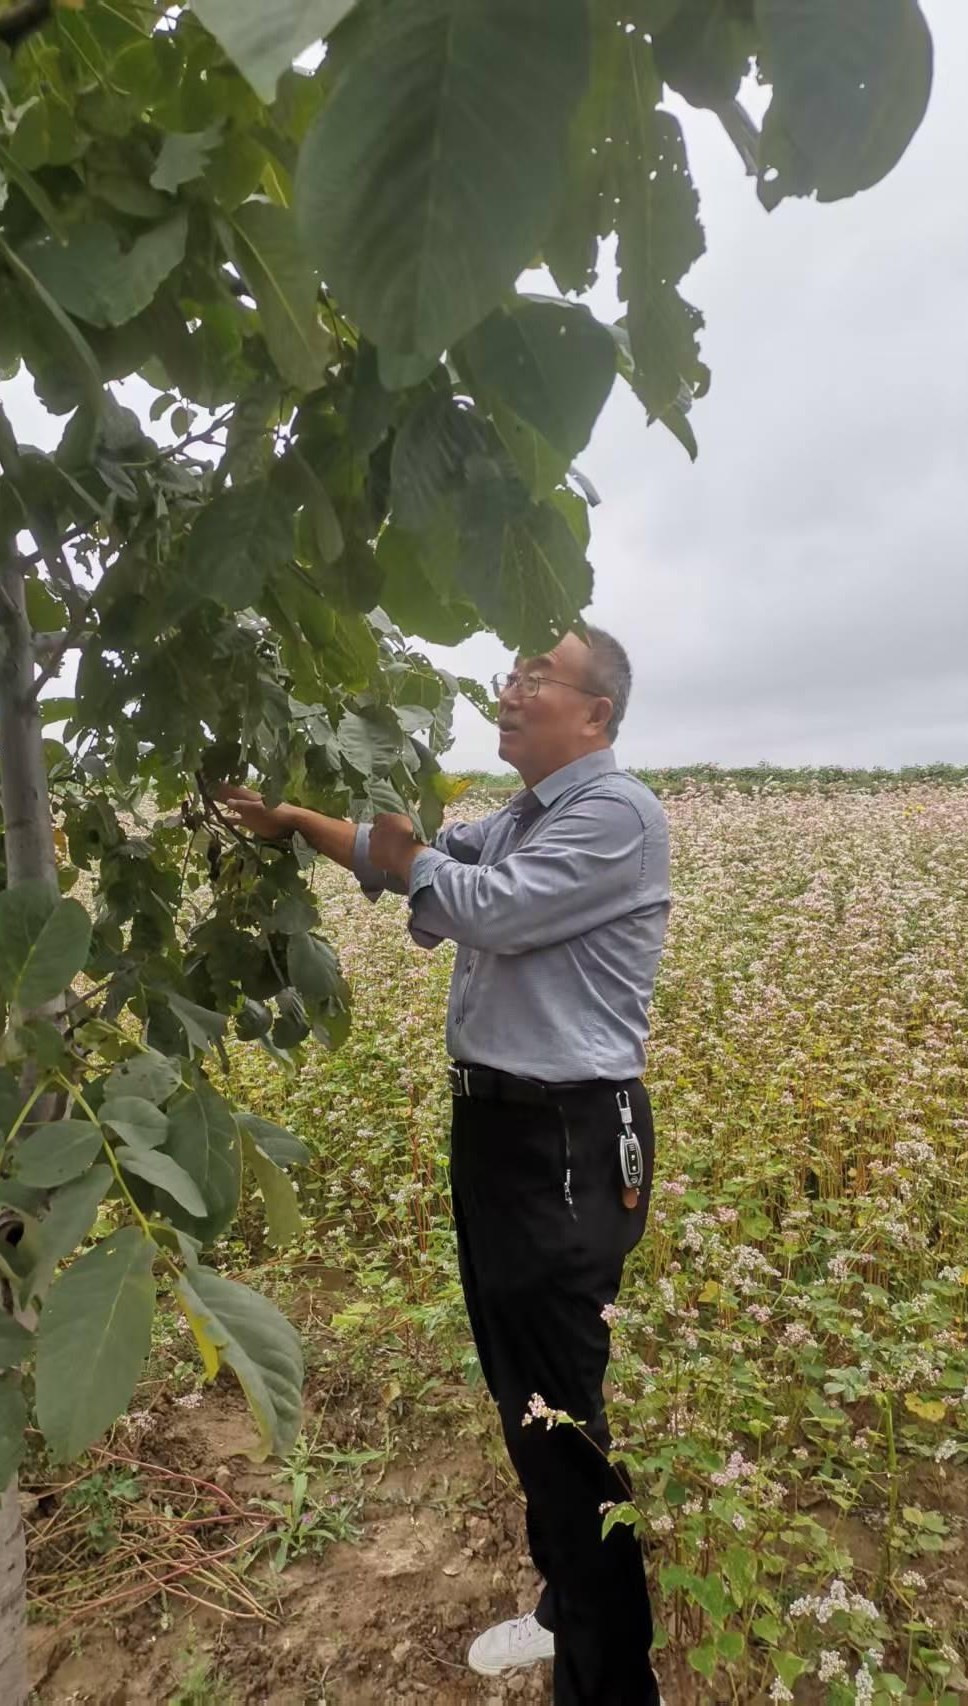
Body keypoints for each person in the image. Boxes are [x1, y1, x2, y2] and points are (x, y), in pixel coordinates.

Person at [217, 627, 671, 1705]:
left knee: (560, 1415)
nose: (507, 691)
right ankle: (567, 1604)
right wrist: (298, 819)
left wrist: (402, 832)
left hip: (562, 1139)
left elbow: (479, 906)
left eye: (531, 678)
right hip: (505, 1135)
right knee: (532, 1395)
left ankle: (610, 1684)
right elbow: (408, 861)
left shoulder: (616, 814)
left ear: (594, 712)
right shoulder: (525, 815)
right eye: (508, 674)